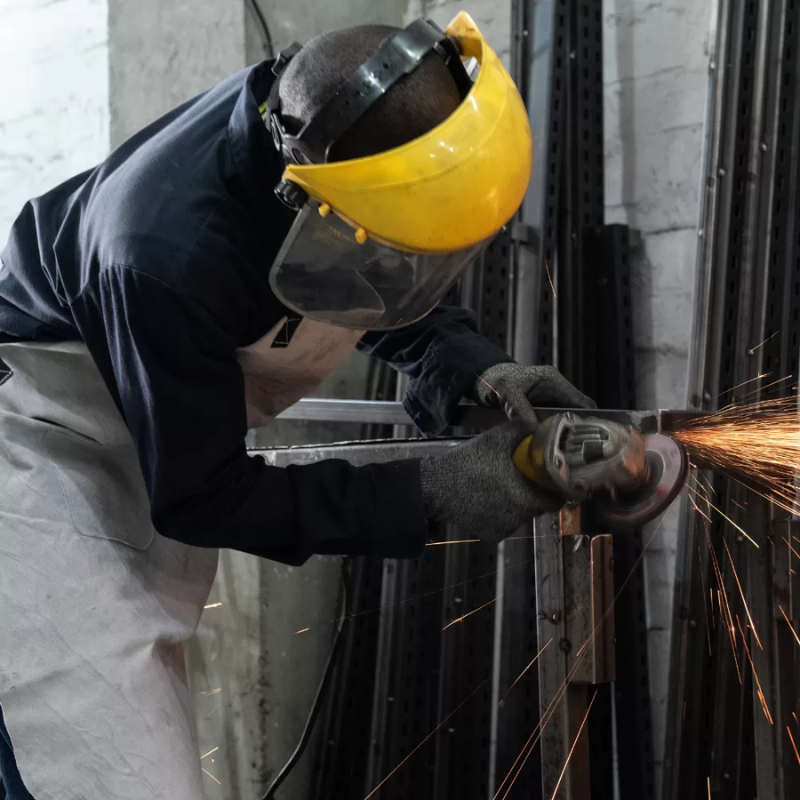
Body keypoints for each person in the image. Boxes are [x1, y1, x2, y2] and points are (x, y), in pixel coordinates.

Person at [0, 12, 592, 799]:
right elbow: (206, 496)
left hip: (154, 435)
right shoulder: (162, 254)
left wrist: (480, 372)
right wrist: (433, 492)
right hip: (41, 472)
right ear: (311, 204)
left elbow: (383, 277)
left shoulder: (321, 129)